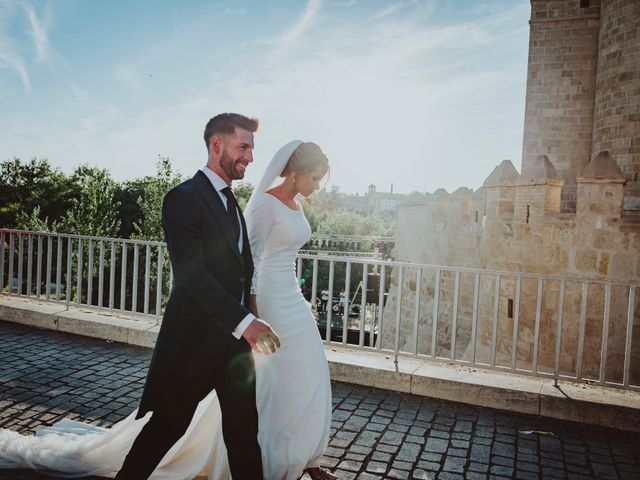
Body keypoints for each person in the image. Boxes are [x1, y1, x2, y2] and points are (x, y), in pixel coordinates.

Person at [0, 133, 335, 480]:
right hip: (237, 317)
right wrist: (249, 315)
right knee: (173, 421)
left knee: (247, 424)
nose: (250, 157)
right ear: (217, 144)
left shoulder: (233, 201)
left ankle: (300, 456)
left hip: (269, 309)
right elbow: (223, 266)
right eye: (243, 147)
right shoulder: (193, 198)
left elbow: (240, 261)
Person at [245, 140, 335, 480]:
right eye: (314, 179)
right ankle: (270, 455)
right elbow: (250, 259)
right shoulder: (265, 205)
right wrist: (254, 312)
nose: (316, 187)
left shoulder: (296, 203)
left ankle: (307, 457)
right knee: (274, 378)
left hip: (292, 296)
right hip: (268, 298)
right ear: (295, 172)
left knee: (311, 369)